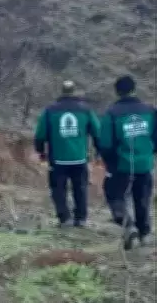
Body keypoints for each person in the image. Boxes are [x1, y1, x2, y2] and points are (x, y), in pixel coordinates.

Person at [98, 75, 157, 249]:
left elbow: (106, 144)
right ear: (134, 89)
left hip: (121, 165)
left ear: (117, 91)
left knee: (114, 194)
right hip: (144, 164)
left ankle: (128, 226)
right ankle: (144, 233)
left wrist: (110, 163)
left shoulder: (112, 113)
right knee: (142, 198)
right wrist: (148, 153)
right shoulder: (150, 111)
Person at [33, 80, 101, 228]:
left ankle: (64, 218)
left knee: (58, 189)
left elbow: (40, 134)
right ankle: (81, 219)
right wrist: (98, 152)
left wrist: (41, 151)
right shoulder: (85, 110)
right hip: (79, 159)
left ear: (62, 92)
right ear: (74, 91)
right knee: (80, 188)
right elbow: (97, 132)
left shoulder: (50, 110)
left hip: (58, 160)